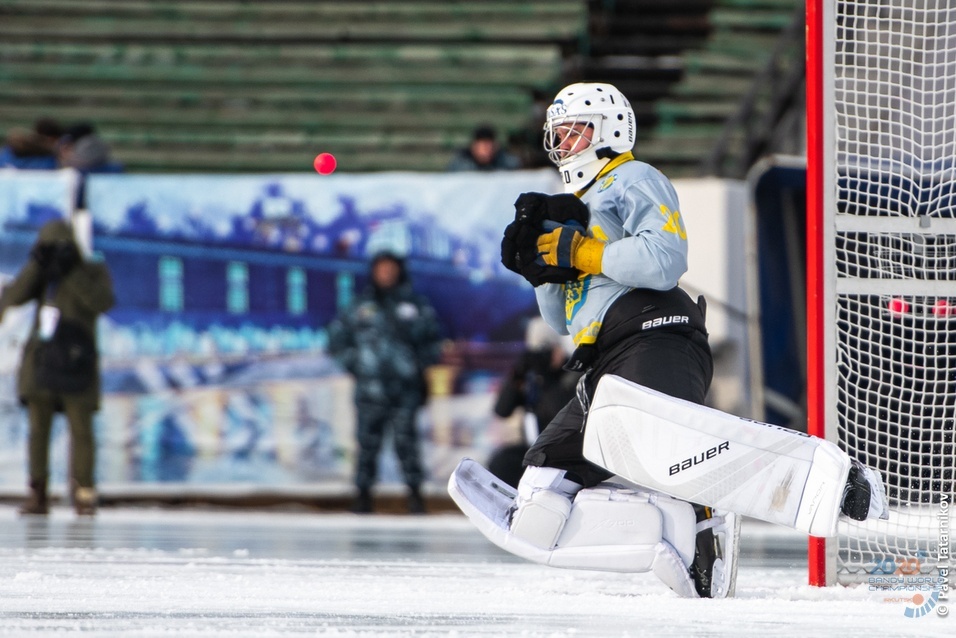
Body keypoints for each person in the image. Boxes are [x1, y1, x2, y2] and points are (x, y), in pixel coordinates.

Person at [0, 218, 115, 516]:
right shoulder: (41, 274)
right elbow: (13, 296)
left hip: (77, 360)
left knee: (81, 429)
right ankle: (37, 492)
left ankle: (84, 492)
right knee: (38, 429)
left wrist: (71, 270)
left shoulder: (91, 270)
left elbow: (101, 302)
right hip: (43, 361)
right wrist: (37, 266)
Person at [326, 251, 443, 514]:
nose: (386, 274)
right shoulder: (359, 305)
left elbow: (433, 342)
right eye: (382, 269)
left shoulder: (416, 306)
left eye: (391, 269)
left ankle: (415, 497)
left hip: (405, 390)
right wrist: (356, 363)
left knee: (408, 445)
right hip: (370, 390)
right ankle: (363, 497)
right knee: (367, 446)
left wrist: (416, 365)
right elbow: (336, 339)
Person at [488, 318, 579, 488]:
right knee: (502, 462)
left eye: (546, 350)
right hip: (534, 450)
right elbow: (502, 410)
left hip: (565, 453)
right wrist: (517, 375)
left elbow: (559, 411)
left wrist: (547, 377)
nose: (541, 357)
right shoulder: (532, 376)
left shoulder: (573, 373)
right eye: (536, 350)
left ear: (559, 348)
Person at [446, 125, 522, 172]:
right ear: (474, 146)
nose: (487, 150)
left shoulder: (504, 161)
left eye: (490, 146)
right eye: (483, 146)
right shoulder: (462, 163)